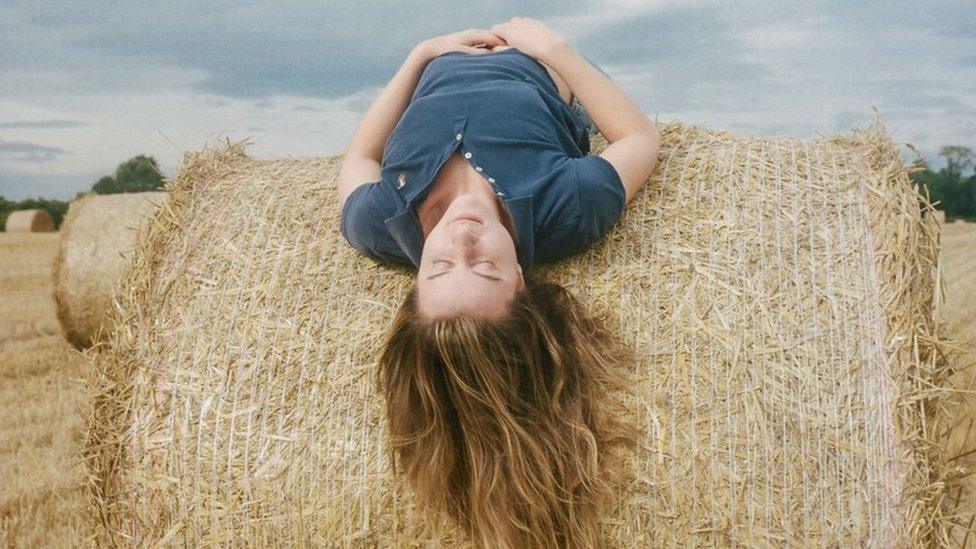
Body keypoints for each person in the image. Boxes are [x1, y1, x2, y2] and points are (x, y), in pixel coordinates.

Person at [337, 17, 660, 548]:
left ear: (415, 283)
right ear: (521, 282)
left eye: (440, 268)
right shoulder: (569, 208)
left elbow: (359, 158)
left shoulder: (380, 222)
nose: (461, 244)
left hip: (438, 65)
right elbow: (638, 136)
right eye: (484, 268)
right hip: (543, 70)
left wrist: (421, 52)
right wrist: (551, 49)